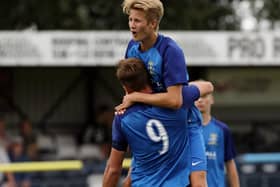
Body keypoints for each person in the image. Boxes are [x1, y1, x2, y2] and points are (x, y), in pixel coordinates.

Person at [117, 0, 207, 186]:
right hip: (153, 121)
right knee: (132, 179)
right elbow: (131, 85)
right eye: (130, 20)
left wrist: (134, 97)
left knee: (198, 180)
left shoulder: (170, 50)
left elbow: (175, 100)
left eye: (138, 21)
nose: (132, 25)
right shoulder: (132, 48)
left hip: (183, 123)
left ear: (153, 23)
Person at [103, 58, 213, 187]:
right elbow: (208, 86)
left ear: (125, 87)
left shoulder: (122, 117)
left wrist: (135, 97)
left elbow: (113, 170)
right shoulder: (178, 101)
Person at [195, 92, 240, 187]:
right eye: (196, 97)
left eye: (204, 96)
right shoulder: (185, 130)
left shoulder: (222, 129)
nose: (200, 100)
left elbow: (230, 164)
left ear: (212, 99)